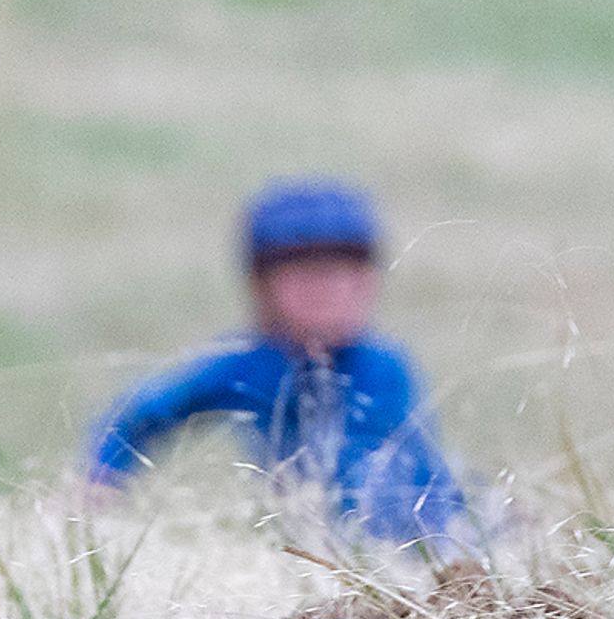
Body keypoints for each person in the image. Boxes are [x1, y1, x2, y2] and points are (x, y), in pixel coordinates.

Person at [83, 177, 476, 551]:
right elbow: (140, 413)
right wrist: (97, 482)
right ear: (261, 287)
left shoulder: (384, 369)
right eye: (306, 277)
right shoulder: (244, 366)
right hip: (315, 554)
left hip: (434, 544)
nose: (330, 291)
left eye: (346, 275)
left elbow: (376, 493)